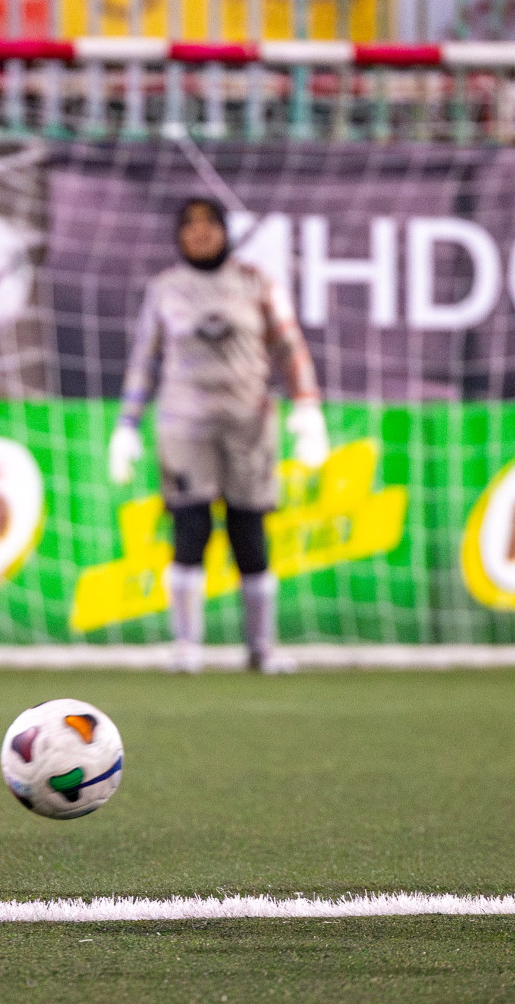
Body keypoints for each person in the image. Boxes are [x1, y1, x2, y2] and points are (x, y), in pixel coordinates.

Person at [108, 197, 330, 674]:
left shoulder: (256, 283)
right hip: (184, 427)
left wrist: (308, 405)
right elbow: (145, 359)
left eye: (210, 223)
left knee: (248, 530)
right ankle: (187, 646)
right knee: (191, 528)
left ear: (226, 231)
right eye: (190, 225)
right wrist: (126, 425)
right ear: (178, 235)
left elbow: (289, 345)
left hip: (249, 425)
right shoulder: (166, 288)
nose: (201, 232)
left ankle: (261, 648)